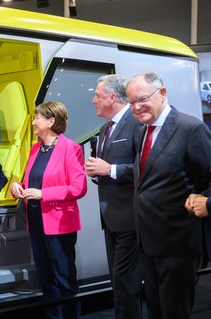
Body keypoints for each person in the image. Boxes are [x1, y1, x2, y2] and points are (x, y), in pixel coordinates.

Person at [127, 72, 211, 319]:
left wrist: (206, 202)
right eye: (131, 102)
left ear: (162, 94)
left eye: (142, 99)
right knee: (155, 310)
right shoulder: (143, 131)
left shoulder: (190, 128)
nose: (136, 107)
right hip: (148, 242)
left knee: (174, 312)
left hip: (178, 243)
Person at [10, 101, 87, 319]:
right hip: (35, 221)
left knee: (64, 279)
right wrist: (17, 187)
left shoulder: (70, 148)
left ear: (51, 121)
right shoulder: (35, 148)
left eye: (37, 118)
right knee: (46, 279)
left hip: (59, 224)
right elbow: (31, 181)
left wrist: (44, 194)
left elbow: (78, 188)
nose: (33, 122)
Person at [84, 75, 143, 319]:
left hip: (130, 218)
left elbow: (145, 168)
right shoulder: (104, 129)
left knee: (125, 284)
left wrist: (109, 169)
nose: (93, 100)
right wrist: (96, 172)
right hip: (110, 220)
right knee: (118, 285)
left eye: (97, 95)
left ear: (112, 97)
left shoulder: (136, 123)